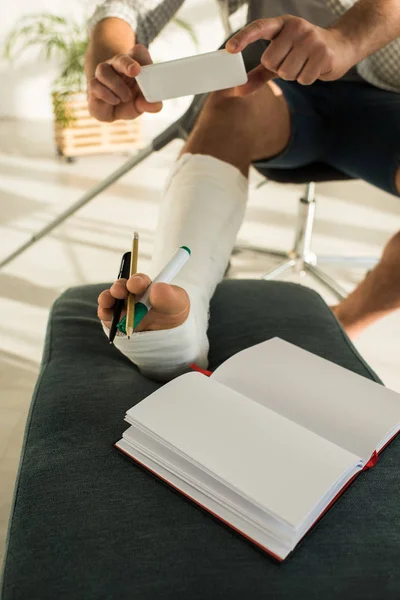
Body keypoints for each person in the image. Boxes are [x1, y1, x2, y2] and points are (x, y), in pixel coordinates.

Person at [87, 0, 400, 381]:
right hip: (273, 83)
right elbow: (127, 6)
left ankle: (341, 324)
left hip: (391, 95)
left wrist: (345, 39)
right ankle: (177, 314)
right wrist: (112, 68)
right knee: (233, 101)